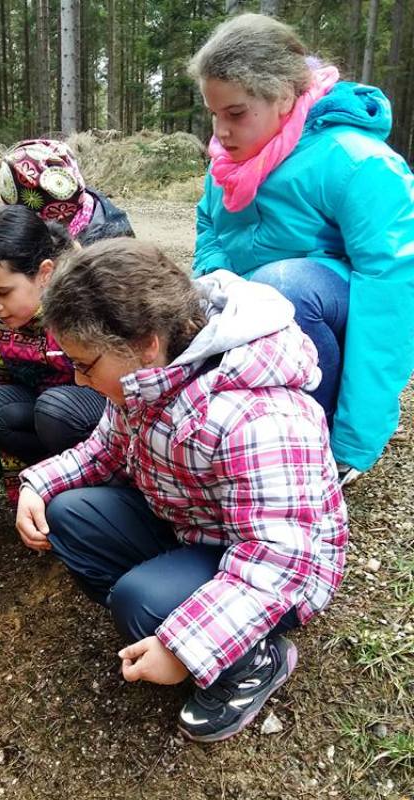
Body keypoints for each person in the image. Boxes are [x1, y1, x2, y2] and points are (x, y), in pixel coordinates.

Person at [16, 239, 348, 743]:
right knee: (70, 513)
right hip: (198, 526)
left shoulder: (257, 415)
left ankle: (255, 659)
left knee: (140, 601)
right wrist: (38, 483)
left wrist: (184, 645)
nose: (80, 381)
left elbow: (281, 559)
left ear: (146, 341)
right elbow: (105, 447)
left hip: (277, 564)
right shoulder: (148, 374)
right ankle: (179, 603)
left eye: (86, 364)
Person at [188, 13, 414, 485]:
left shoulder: (358, 163)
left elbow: (391, 296)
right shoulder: (229, 161)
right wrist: (217, 275)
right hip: (265, 312)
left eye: (235, 114)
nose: (221, 131)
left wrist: (354, 440)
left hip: (323, 314)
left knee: (283, 287)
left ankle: (313, 434)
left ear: (285, 96)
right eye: (213, 113)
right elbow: (209, 222)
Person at [0, 206, 106, 505]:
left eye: (3, 292)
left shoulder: (83, 313)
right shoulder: (2, 327)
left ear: (44, 273)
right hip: (48, 416)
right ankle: (43, 481)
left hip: (98, 419)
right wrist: (20, 492)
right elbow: (1, 384)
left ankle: (87, 490)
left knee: (55, 409)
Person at [0, 138, 135, 376]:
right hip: (38, 329)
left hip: (85, 343)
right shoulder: (70, 211)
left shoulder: (108, 243)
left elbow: (115, 326)